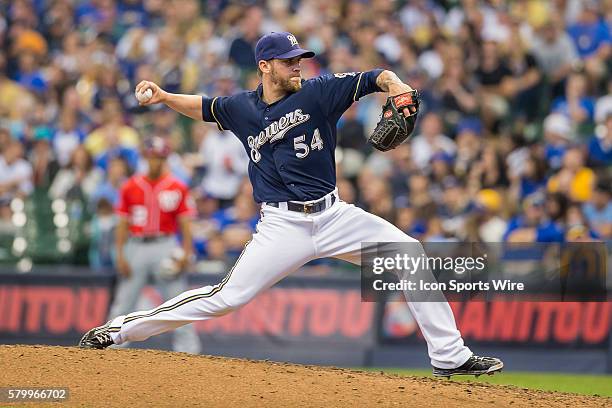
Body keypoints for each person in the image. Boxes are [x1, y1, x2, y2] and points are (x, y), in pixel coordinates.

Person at [80, 32, 503, 377]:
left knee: (409, 254)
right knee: (226, 297)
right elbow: (205, 107)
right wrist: (165, 97)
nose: (297, 64)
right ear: (265, 66)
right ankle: (120, 330)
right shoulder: (242, 107)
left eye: (299, 57)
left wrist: (397, 85)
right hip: (282, 226)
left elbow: (376, 77)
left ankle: (450, 358)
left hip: (334, 215)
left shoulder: (319, 92)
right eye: (288, 60)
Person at [101, 136, 201, 354]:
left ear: (164, 158)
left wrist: (186, 253)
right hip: (136, 245)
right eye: (151, 156)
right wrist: (119, 253)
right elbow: (122, 224)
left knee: (178, 303)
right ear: (145, 157)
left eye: (159, 157)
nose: (154, 161)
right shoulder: (130, 186)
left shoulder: (177, 186)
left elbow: (185, 224)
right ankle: (109, 348)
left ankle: (189, 352)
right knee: (123, 302)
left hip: (165, 244)